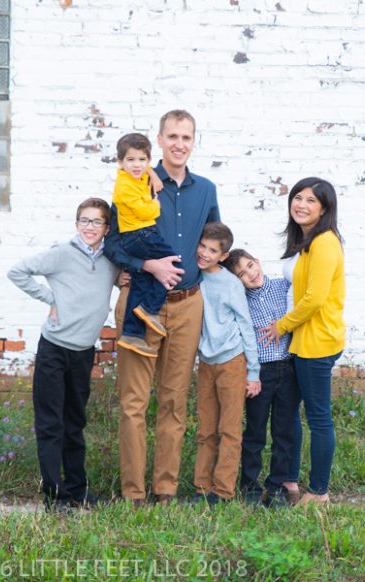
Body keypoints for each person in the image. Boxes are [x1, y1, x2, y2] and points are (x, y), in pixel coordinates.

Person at [104, 110, 220, 506]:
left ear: (193, 141)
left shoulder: (206, 190)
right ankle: (133, 492)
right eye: (172, 136)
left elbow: (214, 245)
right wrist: (144, 265)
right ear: (160, 139)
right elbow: (113, 243)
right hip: (141, 303)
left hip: (187, 305)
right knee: (133, 403)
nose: (179, 144)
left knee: (174, 401)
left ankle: (165, 489)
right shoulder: (135, 180)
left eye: (186, 137)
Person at [7, 198, 124, 511]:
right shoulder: (61, 254)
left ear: (107, 228)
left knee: (74, 423)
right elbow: (18, 271)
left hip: (83, 352)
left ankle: (77, 489)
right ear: (76, 224)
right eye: (84, 220)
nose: (89, 227)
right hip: (54, 350)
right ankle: (53, 495)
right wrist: (51, 298)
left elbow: (120, 279)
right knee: (50, 424)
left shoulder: (111, 260)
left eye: (96, 222)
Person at [261, 177, 345, 505]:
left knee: (318, 417)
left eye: (311, 200)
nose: (301, 205)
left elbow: (314, 299)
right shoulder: (305, 240)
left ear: (324, 209)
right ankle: (289, 480)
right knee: (290, 413)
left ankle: (319, 492)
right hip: (301, 341)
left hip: (317, 342)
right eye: (298, 197)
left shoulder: (324, 242)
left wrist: (280, 326)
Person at [223, 249, 300, 507]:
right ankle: (250, 486)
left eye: (250, 266)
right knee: (255, 431)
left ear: (257, 261)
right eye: (241, 274)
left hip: (288, 369)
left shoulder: (283, 287)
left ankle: (277, 486)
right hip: (260, 373)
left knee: (283, 431)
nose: (250, 274)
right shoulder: (241, 300)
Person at [192, 224, 261, 505]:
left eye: (212, 250)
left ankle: (223, 491)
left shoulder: (231, 284)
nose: (204, 253)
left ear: (223, 256)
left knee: (229, 429)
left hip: (232, 361)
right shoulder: (193, 276)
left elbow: (246, 326)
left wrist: (253, 372)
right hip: (206, 362)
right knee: (206, 428)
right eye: (202, 246)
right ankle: (202, 487)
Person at [112, 132, 183, 358]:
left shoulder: (138, 174)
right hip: (140, 234)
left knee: (141, 281)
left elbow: (145, 168)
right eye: (131, 160)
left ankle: (132, 334)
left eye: (142, 159)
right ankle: (149, 308)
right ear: (120, 162)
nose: (137, 165)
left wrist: (152, 174)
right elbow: (144, 211)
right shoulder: (123, 187)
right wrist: (155, 206)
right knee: (174, 264)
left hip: (137, 235)